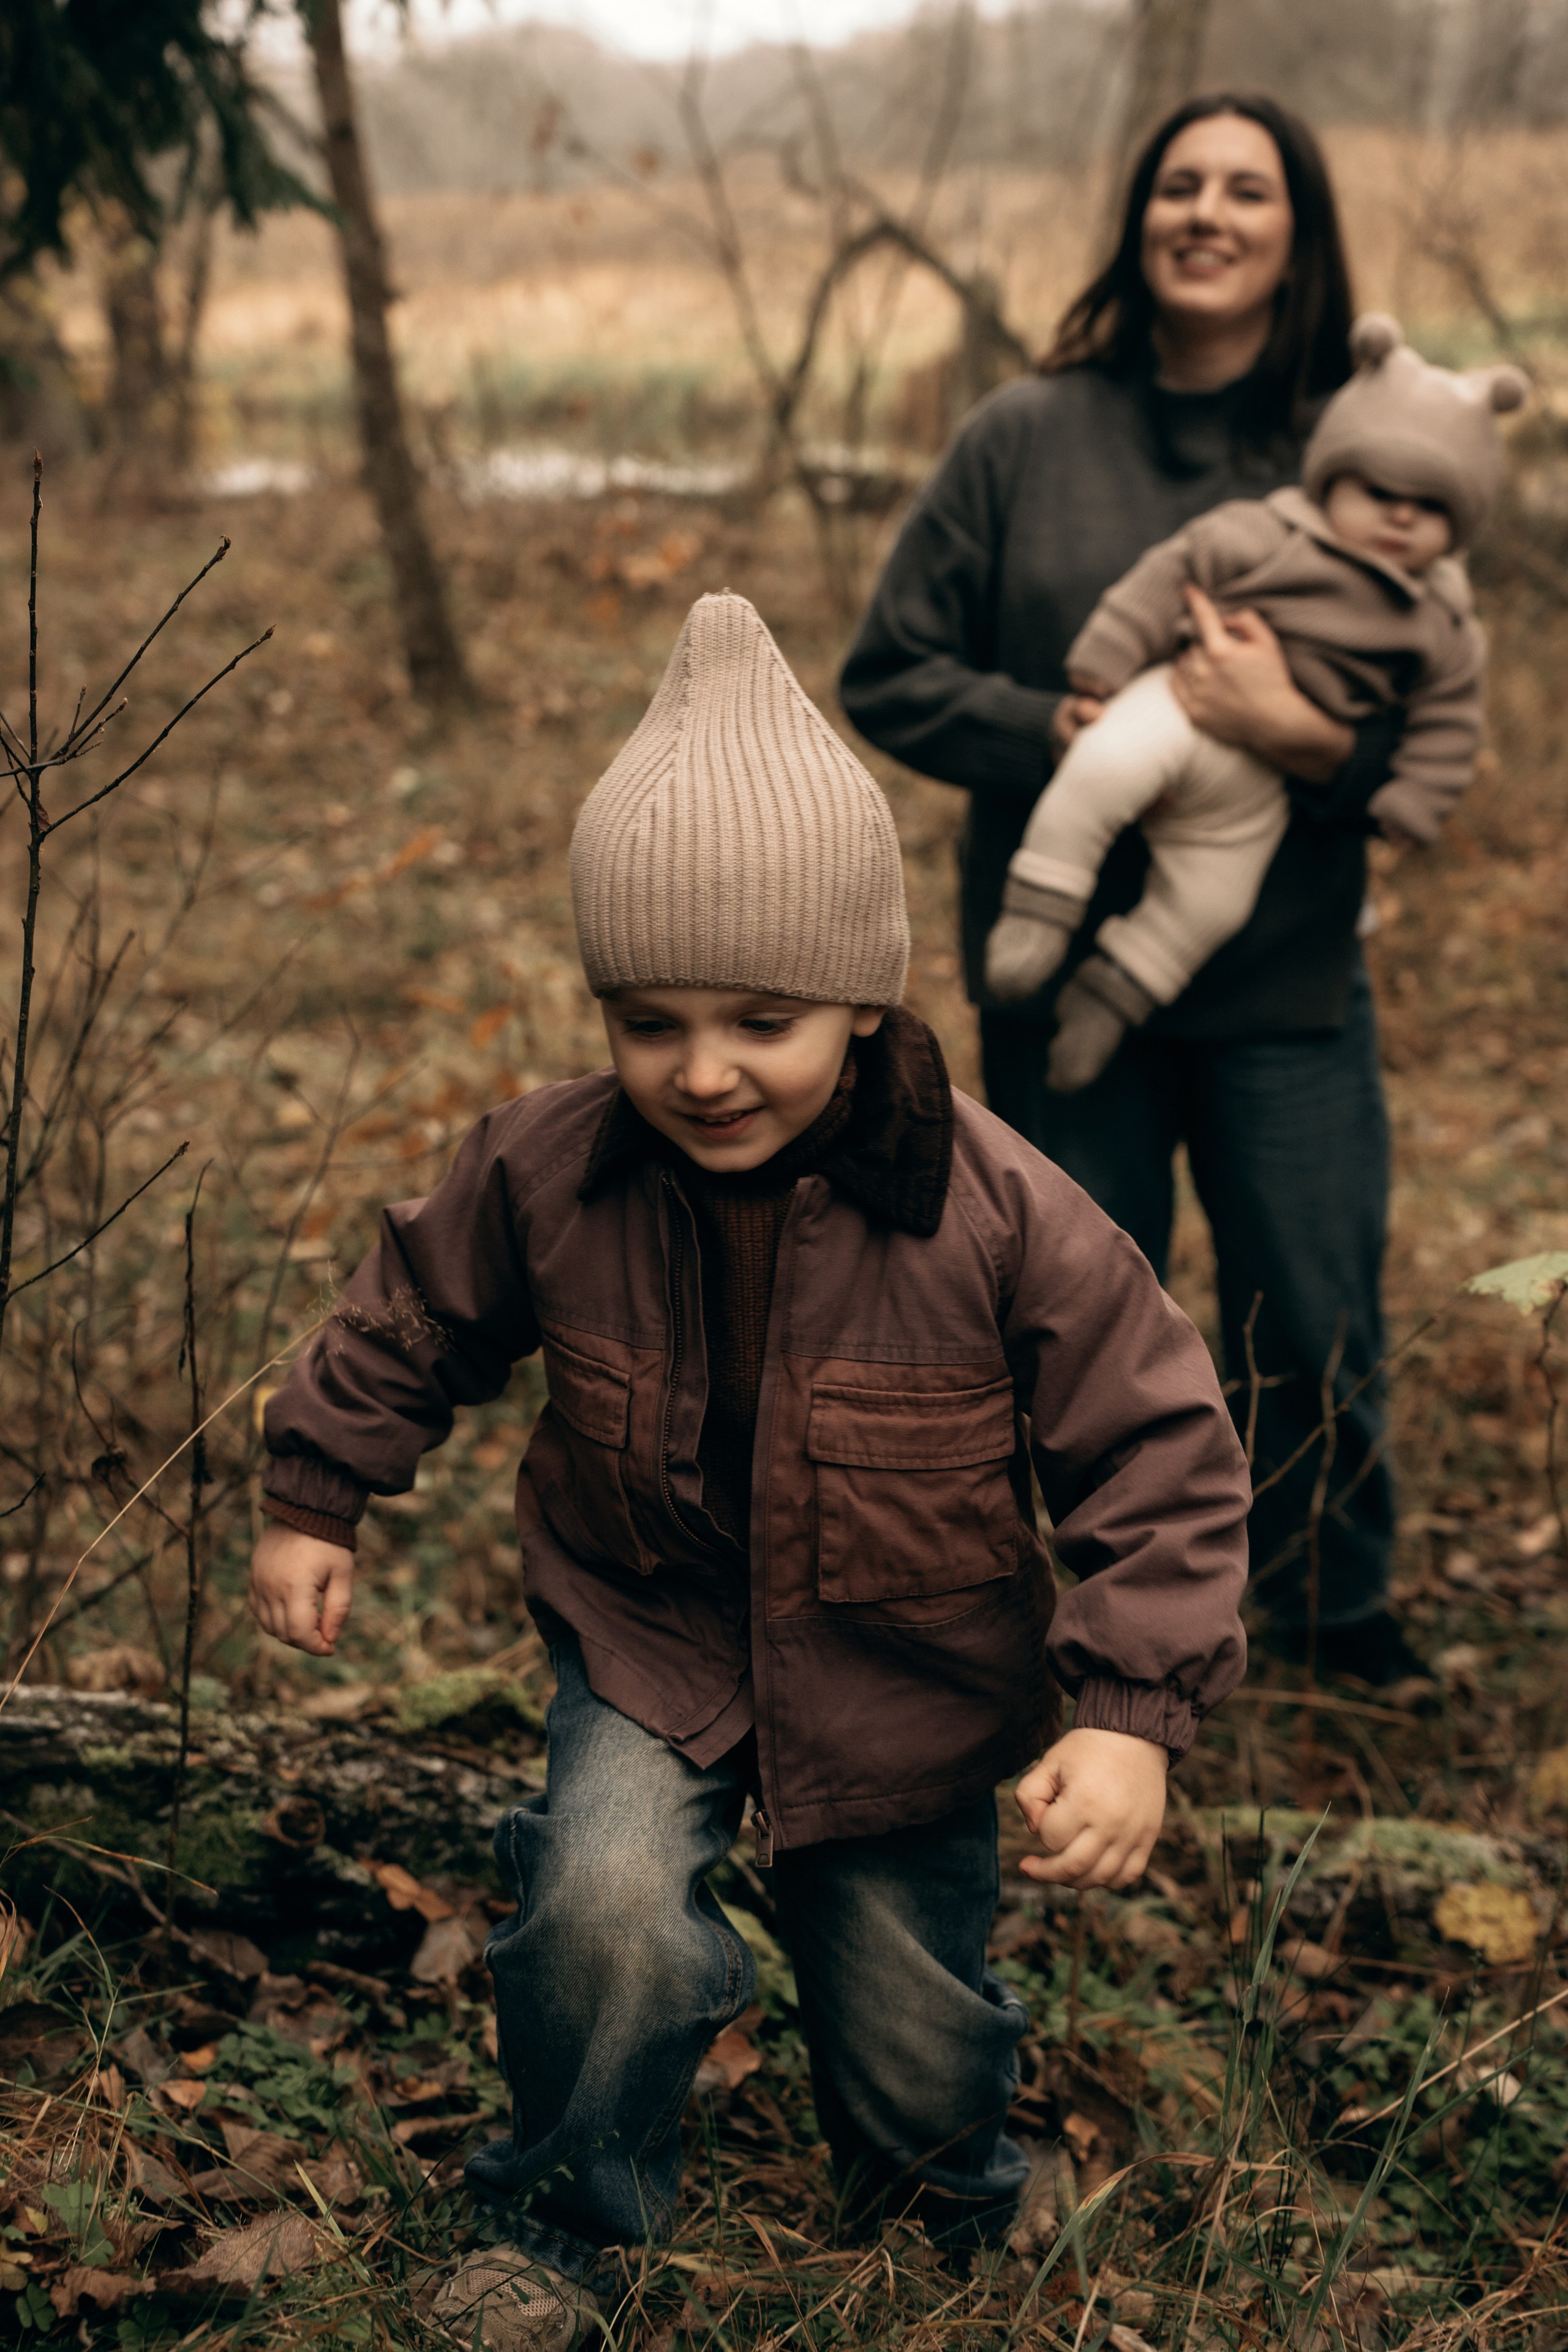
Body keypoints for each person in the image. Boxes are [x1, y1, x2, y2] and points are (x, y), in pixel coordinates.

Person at [250, 592, 1250, 2351]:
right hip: (653, 1637)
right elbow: (419, 1307)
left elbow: (1156, 1439)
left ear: (861, 1002)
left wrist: (1128, 1706)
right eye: (651, 1023)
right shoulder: (554, 1167)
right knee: (602, 1910)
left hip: (911, 1668)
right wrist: (315, 1490)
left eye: (762, 1020)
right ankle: (563, 2216)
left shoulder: (997, 1209)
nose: (703, 1072)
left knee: (911, 2009)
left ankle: (940, 2191)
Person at [839, 92, 1425, 1686]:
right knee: (1084, 1325)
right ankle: (1113, 1639)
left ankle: (1326, 1606)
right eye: (1181, 186)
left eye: (1249, 190)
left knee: (1313, 1308)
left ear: (1296, 233)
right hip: (1059, 966)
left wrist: (1298, 733)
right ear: (1140, 219)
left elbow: (1433, 725)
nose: (1209, 214)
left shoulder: (1356, 455)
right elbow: (889, 672)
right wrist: (1055, 727)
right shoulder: (1023, 436)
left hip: (1285, 982)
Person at [985, 315, 1524, 1090]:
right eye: (1379, 490)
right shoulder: (1268, 533)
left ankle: (1113, 989)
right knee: (1102, 769)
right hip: (1178, 708)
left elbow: (1450, 722)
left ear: (1461, 522)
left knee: (1214, 901)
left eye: (1430, 506)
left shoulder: (1444, 620)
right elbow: (1167, 573)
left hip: (1261, 792)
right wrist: (1103, 662)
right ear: (1334, 477)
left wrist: (1414, 801)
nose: (1401, 515)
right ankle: (1040, 910)